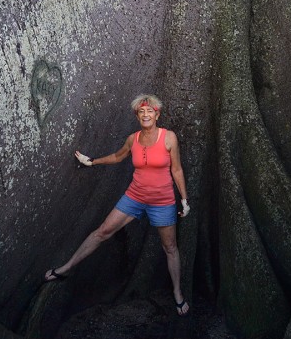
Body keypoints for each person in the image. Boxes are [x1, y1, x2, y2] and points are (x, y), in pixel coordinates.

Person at [45, 94, 190, 316]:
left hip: (162, 201)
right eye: (141, 112)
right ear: (137, 116)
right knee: (102, 231)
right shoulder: (133, 139)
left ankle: (178, 293)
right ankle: (66, 268)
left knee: (170, 247)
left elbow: (176, 169)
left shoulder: (169, 138)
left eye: (150, 111)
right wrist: (92, 161)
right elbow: (116, 157)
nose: (145, 114)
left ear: (157, 114)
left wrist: (184, 200)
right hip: (134, 197)